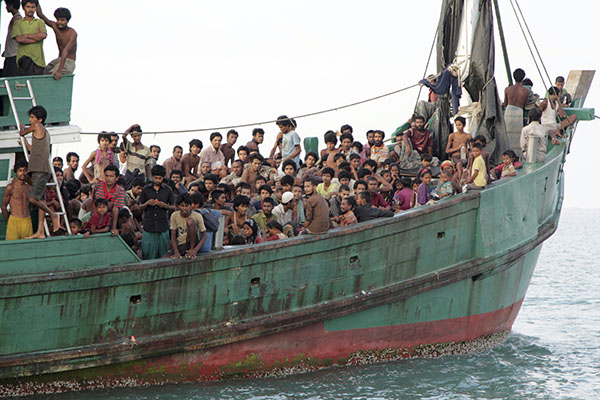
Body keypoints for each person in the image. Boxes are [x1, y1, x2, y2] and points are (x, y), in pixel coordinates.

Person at [19, 105, 61, 237]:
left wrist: (21, 127)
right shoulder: (44, 132)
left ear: (40, 119)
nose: (30, 120)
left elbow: (21, 132)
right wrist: (25, 144)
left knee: (32, 199)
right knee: (40, 200)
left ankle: (54, 215)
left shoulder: (37, 126)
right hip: (41, 168)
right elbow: (35, 149)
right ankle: (40, 232)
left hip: (39, 169)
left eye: (32, 117)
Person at [139, 165, 176, 259]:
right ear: (152, 177)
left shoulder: (168, 190)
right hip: (149, 226)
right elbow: (139, 207)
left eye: (160, 178)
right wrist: (147, 203)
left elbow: (173, 207)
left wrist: (165, 206)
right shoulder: (146, 189)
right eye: (156, 178)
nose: (157, 180)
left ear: (163, 178)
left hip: (162, 226)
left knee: (163, 254)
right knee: (147, 254)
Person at [36, 3, 76, 80]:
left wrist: (59, 71)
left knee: (52, 75)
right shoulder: (55, 26)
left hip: (69, 61)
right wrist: (36, 2)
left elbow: (65, 51)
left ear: (67, 21)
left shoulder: (72, 33)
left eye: (62, 20)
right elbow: (40, 15)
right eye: (58, 19)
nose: (60, 22)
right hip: (60, 59)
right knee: (44, 72)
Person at [12, 0, 46, 76]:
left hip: (38, 61)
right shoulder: (18, 23)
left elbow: (43, 35)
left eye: (33, 7)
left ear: (36, 8)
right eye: (28, 7)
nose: (30, 9)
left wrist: (27, 36)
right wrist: (36, 39)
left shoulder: (40, 22)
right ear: (23, 8)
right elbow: (19, 39)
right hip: (23, 60)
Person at [91, 164, 126, 236]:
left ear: (116, 178)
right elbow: (93, 201)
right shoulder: (98, 185)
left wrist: (113, 228)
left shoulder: (120, 191)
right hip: (95, 215)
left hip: (109, 218)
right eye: (106, 176)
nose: (108, 178)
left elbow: (115, 209)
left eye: (111, 176)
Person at [2, 160, 32, 240]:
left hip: (27, 220)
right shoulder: (10, 187)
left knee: (27, 247)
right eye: (20, 171)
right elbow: (3, 206)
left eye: (25, 170)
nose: (22, 173)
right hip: (14, 220)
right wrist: (9, 221)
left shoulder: (29, 188)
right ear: (16, 172)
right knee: (11, 247)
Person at [170, 194, 207, 259]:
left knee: (190, 221)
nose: (184, 208)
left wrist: (195, 250)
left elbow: (204, 235)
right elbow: (173, 235)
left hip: (193, 242)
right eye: (182, 206)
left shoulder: (197, 216)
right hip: (181, 244)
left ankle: (191, 249)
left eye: (187, 206)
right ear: (178, 206)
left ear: (190, 206)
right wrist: (176, 252)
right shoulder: (174, 215)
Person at [503, 68, 531, 152]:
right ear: (523, 78)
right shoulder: (526, 91)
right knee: (518, 136)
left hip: (508, 112)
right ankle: (516, 155)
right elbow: (525, 104)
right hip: (519, 112)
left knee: (507, 135)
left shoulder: (507, 89)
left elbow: (505, 103)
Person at [2, 0, 21, 77]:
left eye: (7, 5)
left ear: (12, 6)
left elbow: (19, 37)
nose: (6, 7)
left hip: (13, 55)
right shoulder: (15, 18)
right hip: (10, 53)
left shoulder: (17, 19)